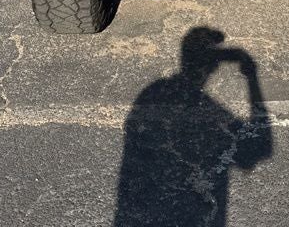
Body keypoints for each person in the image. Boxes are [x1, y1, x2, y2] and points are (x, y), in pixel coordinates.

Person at [114, 27, 273, 226]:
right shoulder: (207, 107)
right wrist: (251, 76)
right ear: (211, 66)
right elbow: (258, 150)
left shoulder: (153, 93)